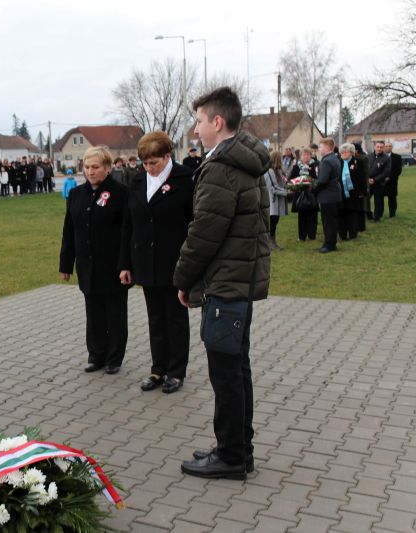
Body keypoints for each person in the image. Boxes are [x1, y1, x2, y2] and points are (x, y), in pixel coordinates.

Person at [174, 86, 271, 480]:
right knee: (236, 370)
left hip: (226, 285)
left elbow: (204, 234)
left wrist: (183, 278)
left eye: (199, 121)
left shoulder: (222, 168)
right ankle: (238, 449)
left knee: (227, 375)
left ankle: (231, 457)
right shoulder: (242, 161)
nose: (195, 129)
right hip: (239, 283)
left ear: (217, 121)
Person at [119, 131, 194, 394]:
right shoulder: (138, 180)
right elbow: (129, 224)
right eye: (145, 163)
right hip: (145, 261)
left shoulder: (185, 179)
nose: (149, 168)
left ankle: (176, 371)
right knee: (155, 318)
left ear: (167, 156)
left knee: (175, 318)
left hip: (174, 261)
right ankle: (158, 369)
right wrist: (125, 264)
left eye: (154, 163)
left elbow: (193, 223)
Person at [59, 145, 129, 375]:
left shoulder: (121, 193)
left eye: (96, 167)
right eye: (87, 167)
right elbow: (69, 231)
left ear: (107, 168)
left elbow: (127, 232)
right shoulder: (76, 194)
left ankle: (114, 358)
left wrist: (125, 264)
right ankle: (96, 355)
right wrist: (65, 264)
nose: (90, 171)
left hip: (113, 266)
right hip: (87, 266)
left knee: (114, 314)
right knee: (94, 314)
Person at [314, 138, 342, 253]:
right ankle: (328, 243)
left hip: (328, 195)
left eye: (321, 147)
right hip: (334, 194)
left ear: (327, 147)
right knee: (331, 220)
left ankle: (330, 245)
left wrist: (313, 190)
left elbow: (322, 181)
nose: (319, 149)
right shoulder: (335, 158)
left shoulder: (326, 161)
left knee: (328, 221)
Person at [337, 143, 366, 241]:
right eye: (342, 152)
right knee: (341, 213)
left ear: (351, 153)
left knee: (352, 213)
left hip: (354, 193)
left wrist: (362, 192)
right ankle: (343, 235)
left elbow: (362, 177)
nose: (343, 154)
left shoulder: (358, 162)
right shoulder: (338, 162)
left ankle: (353, 234)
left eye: (345, 152)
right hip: (340, 193)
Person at [290, 148, 319, 241]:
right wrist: (297, 184)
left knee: (312, 215)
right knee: (302, 215)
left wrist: (312, 183)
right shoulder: (296, 166)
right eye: (304, 155)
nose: (306, 156)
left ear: (311, 156)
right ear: (301, 156)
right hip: (300, 194)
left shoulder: (315, 165)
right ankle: (302, 236)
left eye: (308, 155)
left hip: (312, 194)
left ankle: (312, 235)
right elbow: (292, 179)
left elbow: (317, 178)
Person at [263, 151, 289, 250]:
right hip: (272, 201)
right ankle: (270, 243)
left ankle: (273, 242)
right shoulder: (269, 171)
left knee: (274, 222)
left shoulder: (277, 171)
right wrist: (286, 192)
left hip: (276, 201)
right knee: (272, 223)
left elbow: (282, 183)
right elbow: (273, 188)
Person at [368, 141, 391, 222]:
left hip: (379, 183)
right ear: (375, 147)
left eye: (381, 147)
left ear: (383, 148)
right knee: (366, 200)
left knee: (378, 201)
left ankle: (377, 217)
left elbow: (386, 172)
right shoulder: (369, 156)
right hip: (368, 183)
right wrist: (367, 179)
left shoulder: (387, 158)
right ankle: (368, 215)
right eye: (377, 147)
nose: (379, 149)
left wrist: (374, 180)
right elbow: (365, 168)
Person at [353, 143, 370, 232]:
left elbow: (366, 172)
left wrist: (365, 186)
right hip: (356, 185)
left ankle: (362, 225)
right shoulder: (354, 159)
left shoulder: (363, 158)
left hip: (362, 183)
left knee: (362, 205)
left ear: (356, 150)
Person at [383, 142, 402, 217]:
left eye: (389, 146)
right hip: (381, 181)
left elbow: (398, 170)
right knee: (379, 199)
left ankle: (392, 213)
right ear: (384, 147)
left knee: (392, 198)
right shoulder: (380, 156)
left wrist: (389, 177)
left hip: (392, 182)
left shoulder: (397, 157)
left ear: (392, 147)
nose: (388, 147)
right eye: (386, 146)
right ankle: (379, 213)